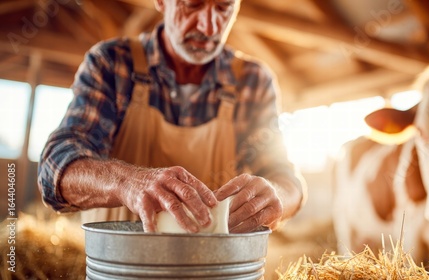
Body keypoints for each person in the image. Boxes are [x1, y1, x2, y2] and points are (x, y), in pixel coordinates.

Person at [37, 0, 306, 233]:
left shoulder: (253, 81)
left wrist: (276, 196)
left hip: (214, 268)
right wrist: (126, 182)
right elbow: (55, 168)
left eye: (224, 7)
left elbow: (284, 177)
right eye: (193, 4)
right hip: (119, 267)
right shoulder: (111, 63)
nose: (210, 27)